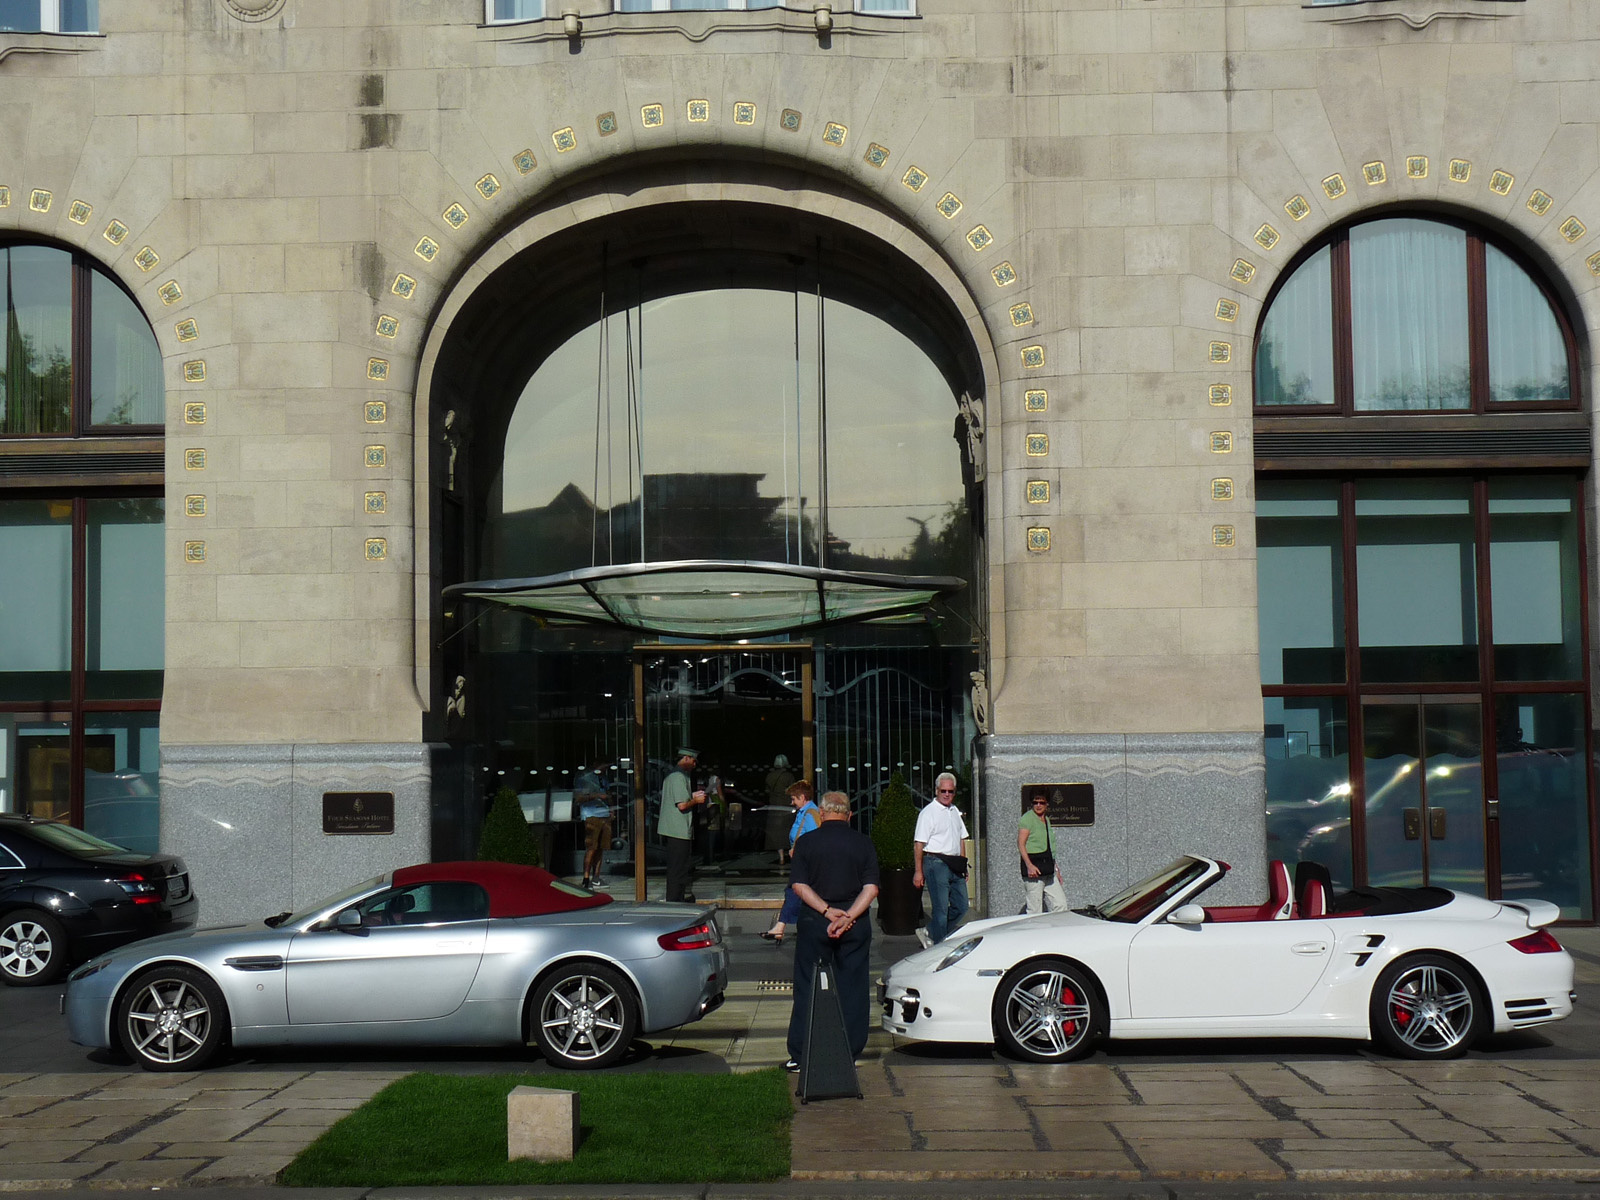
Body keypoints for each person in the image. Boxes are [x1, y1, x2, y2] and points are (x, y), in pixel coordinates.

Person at [786, 790, 879, 1072]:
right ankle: (848, 1052)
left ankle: (801, 1055)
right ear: (849, 815)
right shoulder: (863, 843)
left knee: (808, 986)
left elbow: (799, 886)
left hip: (816, 921)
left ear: (822, 814)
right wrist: (849, 915)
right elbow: (871, 888)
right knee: (853, 987)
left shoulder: (806, 842)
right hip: (855, 922)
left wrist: (827, 912)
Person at [912, 771, 970, 945]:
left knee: (961, 906)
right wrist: (918, 871)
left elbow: (961, 838)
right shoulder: (928, 813)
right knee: (941, 909)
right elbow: (918, 844)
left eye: (950, 791)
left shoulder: (954, 811)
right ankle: (939, 946)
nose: (946, 794)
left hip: (954, 863)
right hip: (936, 862)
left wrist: (963, 864)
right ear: (936, 791)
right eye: (943, 791)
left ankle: (930, 931)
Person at [762, 778, 820, 943]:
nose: (792, 802)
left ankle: (780, 927)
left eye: (794, 798)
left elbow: (815, 839)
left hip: (805, 863)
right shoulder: (805, 812)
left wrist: (799, 850)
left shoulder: (810, 814)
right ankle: (782, 927)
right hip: (802, 861)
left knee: (794, 892)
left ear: (802, 797)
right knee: (797, 894)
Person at [658, 747, 707, 902]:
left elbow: (679, 799)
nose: (694, 765)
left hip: (674, 830)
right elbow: (682, 805)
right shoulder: (678, 776)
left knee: (677, 869)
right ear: (686, 758)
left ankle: (675, 899)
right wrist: (696, 800)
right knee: (678, 870)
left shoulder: (674, 775)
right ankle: (674, 901)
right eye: (693, 761)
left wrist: (691, 796)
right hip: (677, 830)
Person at [1018, 792, 1067, 913]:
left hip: (1048, 870)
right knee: (1035, 909)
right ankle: (1033, 931)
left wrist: (1056, 870)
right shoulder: (1027, 819)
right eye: (1035, 802)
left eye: (1042, 802)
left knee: (1061, 904)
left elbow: (1049, 847)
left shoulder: (1046, 820)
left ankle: (1056, 931)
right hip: (1034, 870)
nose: (1038, 805)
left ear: (1047, 804)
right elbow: (1021, 844)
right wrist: (1029, 866)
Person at [575, 766, 610, 890]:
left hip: (604, 814)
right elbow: (578, 798)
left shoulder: (604, 778)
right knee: (592, 848)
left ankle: (596, 877)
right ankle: (586, 878)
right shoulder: (584, 779)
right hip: (591, 815)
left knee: (601, 847)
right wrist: (596, 796)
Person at [764, 753, 798, 859]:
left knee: (776, 833)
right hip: (786, 806)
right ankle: (791, 853)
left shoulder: (769, 776)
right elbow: (793, 790)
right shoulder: (789, 776)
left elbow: (766, 790)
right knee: (787, 830)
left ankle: (781, 856)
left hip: (774, 805)